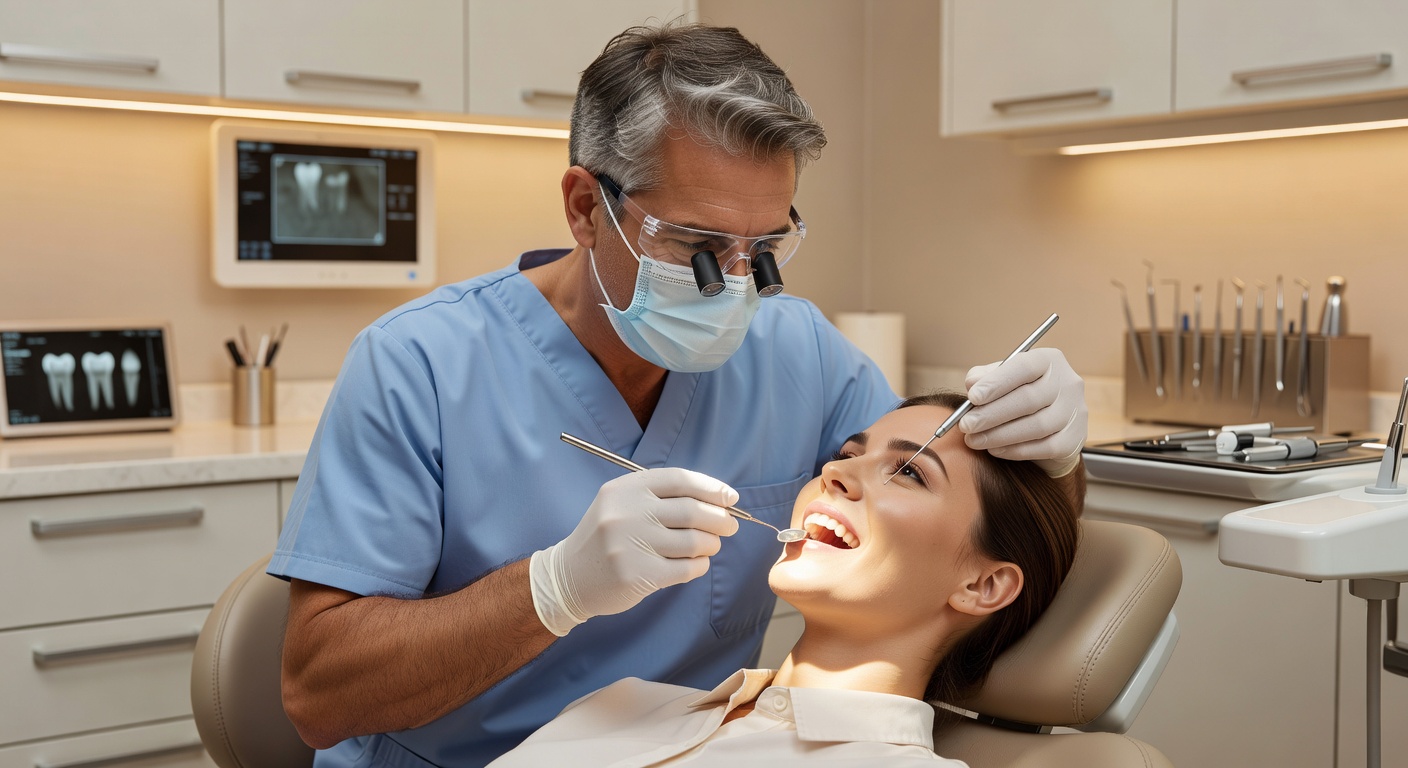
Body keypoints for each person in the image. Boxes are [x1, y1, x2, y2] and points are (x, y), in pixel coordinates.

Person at [269, 21, 1090, 768]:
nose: (738, 286)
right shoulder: (419, 363)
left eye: (765, 248)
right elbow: (318, 698)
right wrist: (554, 588)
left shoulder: (793, 348)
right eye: (697, 246)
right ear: (588, 208)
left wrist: (1053, 450)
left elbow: (966, 503)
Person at [488, 392, 1082, 766]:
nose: (837, 471)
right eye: (850, 451)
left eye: (908, 472)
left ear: (984, 586)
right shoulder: (623, 703)